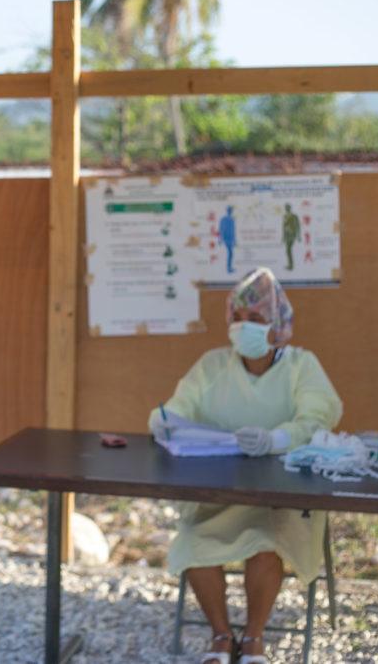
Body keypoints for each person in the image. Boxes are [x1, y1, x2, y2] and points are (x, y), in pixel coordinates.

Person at [149, 268, 342, 664]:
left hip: (283, 495)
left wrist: (277, 439)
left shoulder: (302, 366)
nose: (243, 327)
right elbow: (179, 406)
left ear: (278, 325)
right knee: (195, 542)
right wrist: (163, 419)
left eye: (254, 319)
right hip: (218, 490)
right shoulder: (212, 365)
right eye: (237, 318)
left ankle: (253, 639)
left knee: (265, 547)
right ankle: (221, 638)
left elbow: (319, 415)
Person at [218, 206, 237, 273]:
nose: (230, 211)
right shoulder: (224, 219)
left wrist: (235, 240)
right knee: (230, 253)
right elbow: (221, 229)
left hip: (230, 238)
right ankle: (229, 268)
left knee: (230, 253)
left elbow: (233, 230)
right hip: (226, 238)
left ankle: (229, 268)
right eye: (230, 210)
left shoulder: (232, 219)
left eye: (231, 210)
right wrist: (220, 239)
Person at [283, 204, 300, 271]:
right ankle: (290, 265)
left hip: (292, 234)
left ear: (290, 208)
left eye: (288, 208)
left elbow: (298, 225)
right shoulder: (284, 216)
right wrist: (283, 236)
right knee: (288, 250)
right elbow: (283, 227)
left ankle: (291, 265)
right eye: (286, 208)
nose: (287, 209)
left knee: (288, 250)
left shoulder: (294, 216)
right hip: (287, 235)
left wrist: (298, 235)